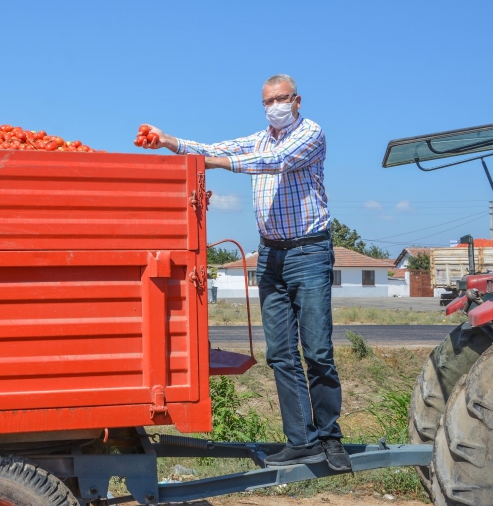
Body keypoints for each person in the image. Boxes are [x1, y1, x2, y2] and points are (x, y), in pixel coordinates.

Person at [138, 74, 350, 471]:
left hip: (309, 251)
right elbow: (212, 147)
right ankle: (302, 440)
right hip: (270, 255)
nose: (275, 107)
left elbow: (274, 162)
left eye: (281, 99)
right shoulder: (258, 138)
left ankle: (330, 437)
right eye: (268, 101)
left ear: (297, 100)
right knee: (281, 354)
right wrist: (170, 142)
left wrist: (215, 163)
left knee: (318, 350)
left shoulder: (311, 135)